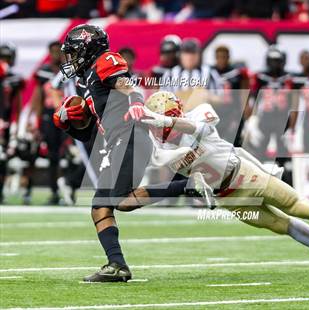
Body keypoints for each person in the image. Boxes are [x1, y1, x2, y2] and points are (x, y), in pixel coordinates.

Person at [135, 90, 309, 276]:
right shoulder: (161, 149)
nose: (159, 131)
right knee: (285, 227)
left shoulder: (198, 114)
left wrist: (167, 120)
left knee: (300, 207)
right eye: (157, 124)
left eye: (163, 122)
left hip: (245, 175)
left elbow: (200, 128)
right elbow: (162, 158)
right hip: (229, 197)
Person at [53, 24, 213, 282]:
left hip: (130, 136)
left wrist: (137, 103)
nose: (69, 59)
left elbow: (129, 85)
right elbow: (91, 133)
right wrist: (67, 125)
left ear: (86, 48)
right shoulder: (86, 83)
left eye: (73, 52)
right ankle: (117, 265)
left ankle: (188, 185)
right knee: (102, 206)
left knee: (116, 202)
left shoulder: (106, 61)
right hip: (116, 141)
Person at [31, 41, 66, 204]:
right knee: (52, 154)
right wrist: (35, 119)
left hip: (68, 114)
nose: (56, 54)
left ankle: (69, 188)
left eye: (59, 51)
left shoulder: (69, 71)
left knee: (68, 153)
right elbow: (38, 96)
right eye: (53, 51)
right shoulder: (43, 72)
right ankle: (54, 191)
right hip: (50, 115)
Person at [250, 45, 296, 164]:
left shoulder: (288, 78)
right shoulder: (260, 77)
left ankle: (284, 171)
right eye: (272, 61)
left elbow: (293, 101)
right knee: (261, 146)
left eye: (277, 61)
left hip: (282, 116)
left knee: (282, 148)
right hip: (266, 115)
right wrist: (252, 118)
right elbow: (254, 98)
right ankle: (258, 170)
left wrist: (292, 123)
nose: (274, 64)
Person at [0, 43, 25, 204]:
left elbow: (16, 105)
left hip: (6, 123)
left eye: (7, 58)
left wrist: (16, 126)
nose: (5, 61)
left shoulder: (14, 79)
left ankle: (1, 191)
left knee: (3, 158)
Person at [212, 45, 250, 146]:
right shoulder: (210, 72)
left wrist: (245, 106)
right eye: (218, 57)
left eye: (223, 57)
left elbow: (243, 90)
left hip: (233, 111)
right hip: (217, 110)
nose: (221, 60)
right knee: (215, 140)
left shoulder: (237, 73)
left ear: (228, 57)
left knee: (234, 140)